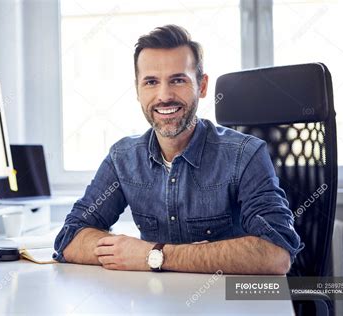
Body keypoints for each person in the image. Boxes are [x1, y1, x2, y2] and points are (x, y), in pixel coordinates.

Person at [53, 24, 303, 274]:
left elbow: (275, 255)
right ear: (138, 91)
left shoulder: (246, 155)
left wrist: (154, 255)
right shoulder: (123, 158)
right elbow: (70, 236)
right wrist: (130, 253)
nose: (164, 95)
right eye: (151, 82)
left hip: (229, 304)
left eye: (178, 80)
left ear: (202, 86)